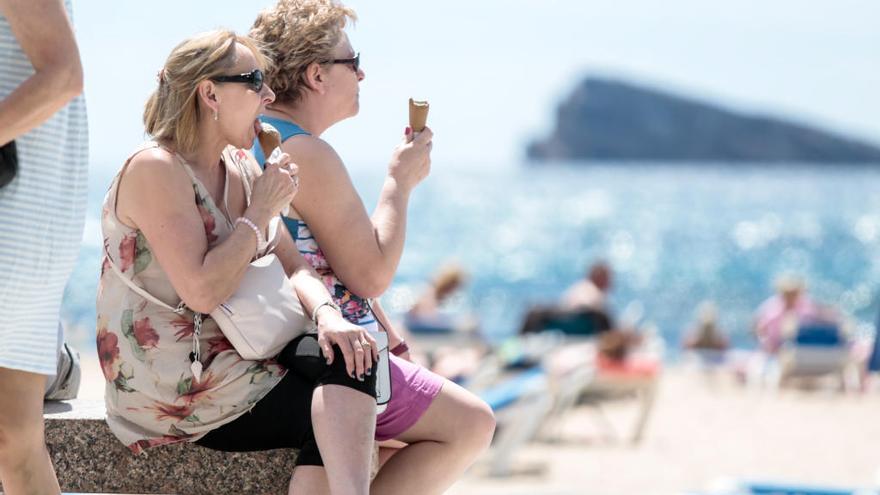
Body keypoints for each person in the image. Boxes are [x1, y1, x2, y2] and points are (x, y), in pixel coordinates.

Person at [97, 30, 380, 495]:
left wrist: (331, 318)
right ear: (209, 93)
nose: (269, 95)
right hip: (177, 380)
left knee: (352, 358)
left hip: (242, 345)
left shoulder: (242, 165)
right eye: (254, 82)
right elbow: (202, 291)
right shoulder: (157, 169)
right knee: (331, 419)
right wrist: (259, 213)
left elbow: (296, 267)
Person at [249, 2, 495, 493]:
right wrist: (398, 184)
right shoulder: (305, 152)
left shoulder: (253, 139)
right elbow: (371, 274)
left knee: (392, 447)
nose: (362, 72)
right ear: (317, 75)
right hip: (321, 355)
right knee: (472, 423)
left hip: (272, 343)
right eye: (351, 60)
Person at [0, 1, 87, 493]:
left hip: (16, 215)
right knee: (13, 437)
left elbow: (63, 74)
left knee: (14, 436)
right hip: (28, 215)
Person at [518, 260, 614, 335]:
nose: (610, 282)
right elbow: (584, 305)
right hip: (574, 322)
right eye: (607, 278)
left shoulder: (582, 287)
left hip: (568, 320)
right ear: (600, 278)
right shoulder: (591, 290)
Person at [753, 274, 837, 355]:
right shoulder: (771, 309)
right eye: (788, 294)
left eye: (794, 294)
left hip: (799, 350)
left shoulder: (806, 305)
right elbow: (759, 329)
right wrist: (767, 345)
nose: (791, 297)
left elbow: (823, 316)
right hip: (774, 350)